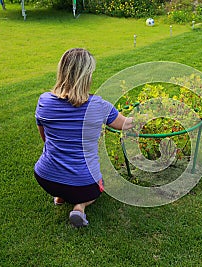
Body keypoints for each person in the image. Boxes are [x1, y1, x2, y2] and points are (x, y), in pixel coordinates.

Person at [34, 48, 133, 227]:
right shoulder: (100, 106)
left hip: (45, 177)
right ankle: (79, 207)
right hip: (84, 184)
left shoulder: (44, 101)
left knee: (63, 182)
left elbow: (45, 139)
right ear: (87, 76)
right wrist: (141, 116)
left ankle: (60, 196)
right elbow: (125, 124)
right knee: (97, 188)